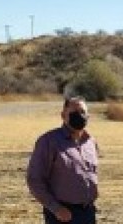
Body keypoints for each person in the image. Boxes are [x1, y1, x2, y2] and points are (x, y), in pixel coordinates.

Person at [27, 96, 99, 224]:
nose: (79, 116)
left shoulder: (90, 142)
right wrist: (56, 208)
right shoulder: (49, 141)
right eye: (74, 113)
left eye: (82, 112)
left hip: (88, 213)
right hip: (62, 215)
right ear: (63, 115)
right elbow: (35, 179)